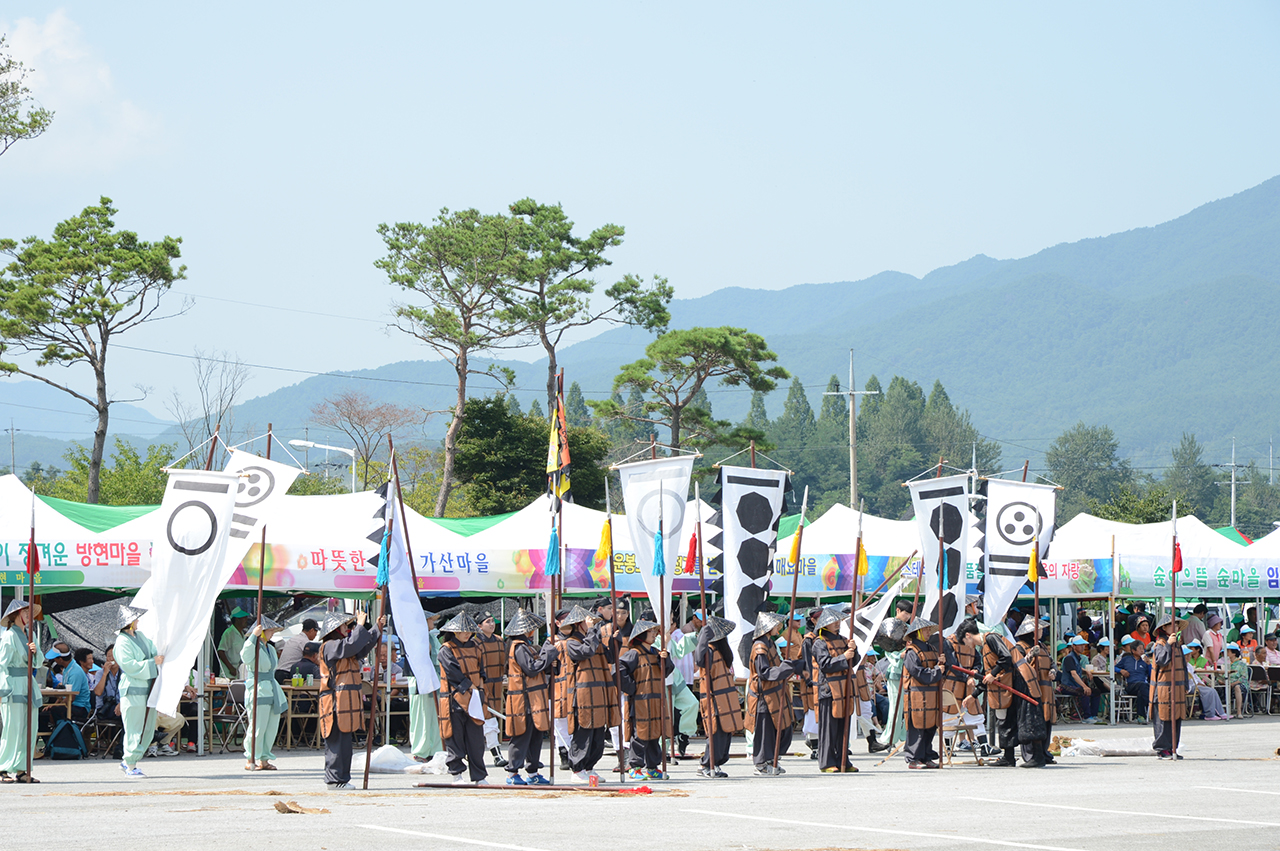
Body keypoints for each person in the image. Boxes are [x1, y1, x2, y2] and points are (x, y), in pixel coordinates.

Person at [319, 609, 382, 789]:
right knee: (336, 744)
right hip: (334, 702)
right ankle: (334, 780)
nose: (348, 628)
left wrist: (377, 628)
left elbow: (360, 647)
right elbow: (352, 645)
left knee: (344, 744)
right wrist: (361, 625)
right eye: (346, 626)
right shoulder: (330, 645)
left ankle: (341, 779)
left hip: (344, 701)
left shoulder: (343, 647)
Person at [558, 604, 618, 784]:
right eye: (588, 623)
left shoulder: (593, 639)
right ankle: (577, 769)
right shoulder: (572, 642)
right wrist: (592, 631)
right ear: (579, 624)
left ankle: (590, 767)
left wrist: (614, 640)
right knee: (583, 732)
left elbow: (609, 658)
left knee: (598, 735)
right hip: (582, 695)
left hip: (599, 692)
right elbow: (586, 652)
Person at [742, 611, 799, 777]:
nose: (778, 627)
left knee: (779, 727)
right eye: (775, 624)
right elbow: (764, 672)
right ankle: (761, 763)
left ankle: (771, 760)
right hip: (763, 694)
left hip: (773, 692)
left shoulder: (770, 643)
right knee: (764, 730)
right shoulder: (760, 646)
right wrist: (783, 669)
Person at [502, 609, 554, 786]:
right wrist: (548, 654)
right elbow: (531, 669)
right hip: (523, 699)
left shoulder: (527, 646)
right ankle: (512, 772)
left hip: (534, 698)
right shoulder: (519, 647)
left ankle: (532, 772)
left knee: (535, 736)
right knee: (521, 735)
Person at [618, 617, 674, 780]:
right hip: (641, 701)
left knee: (655, 733)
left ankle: (652, 766)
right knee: (640, 734)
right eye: (651, 632)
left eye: (655, 632)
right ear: (642, 634)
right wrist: (632, 688)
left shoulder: (656, 653)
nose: (655, 635)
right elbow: (619, 671)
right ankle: (635, 767)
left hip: (656, 700)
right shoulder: (633, 653)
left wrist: (665, 659)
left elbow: (667, 671)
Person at [436, 612, 488, 785]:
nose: (467, 634)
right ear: (455, 631)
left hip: (474, 698)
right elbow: (453, 673)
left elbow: (481, 671)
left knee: (476, 739)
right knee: (455, 738)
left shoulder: (475, 647)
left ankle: (479, 776)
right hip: (454, 700)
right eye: (463, 631)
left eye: (469, 631)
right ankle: (457, 774)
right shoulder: (446, 649)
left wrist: (479, 690)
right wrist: (470, 687)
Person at [809, 606, 860, 772]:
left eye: (838, 621)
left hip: (844, 688)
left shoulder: (844, 639)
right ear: (824, 624)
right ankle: (827, 762)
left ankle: (843, 760)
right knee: (829, 729)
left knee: (843, 726)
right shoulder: (819, 643)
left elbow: (855, 661)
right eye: (833, 622)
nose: (837, 624)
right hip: (828, 689)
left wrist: (854, 649)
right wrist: (844, 656)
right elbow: (825, 665)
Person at [114, 604, 162, 778]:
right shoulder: (121, 642)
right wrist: (152, 662)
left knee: (147, 728)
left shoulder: (140, 636)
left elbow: (154, 651)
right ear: (129, 622)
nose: (138, 621)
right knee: (134, 728)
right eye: (135, 618)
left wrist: (158, 658)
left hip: (148, 689)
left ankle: (130, 761)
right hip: (133, 690)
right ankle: (130, 763)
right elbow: (129, 666)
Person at [695, 614, 742, 779]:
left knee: (725, 731)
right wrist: (703, 637)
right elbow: (699, 659)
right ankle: (707, 763)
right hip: (714, 697)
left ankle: (716, 762)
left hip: (726, 697)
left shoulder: (721, 652)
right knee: (715, 731)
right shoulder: (707, 649)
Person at [0, 600, 42, 783]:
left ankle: (22, 769)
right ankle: (3, 768)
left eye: (29, 612)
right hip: (13, 684)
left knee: (29, 729)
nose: (28, 615)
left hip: (28, 683)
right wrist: (3, 688)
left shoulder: (31, 634)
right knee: (13, 728)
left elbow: (39, 662)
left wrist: (35, 651)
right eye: (25, 612)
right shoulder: (9, 636)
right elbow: (2, 664)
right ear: (16, 614)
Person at [241, 616, 288, 771]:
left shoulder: (270, 648)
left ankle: (264, 758)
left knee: (271, 726)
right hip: (258, 689)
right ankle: (251, 757)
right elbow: (245, 656)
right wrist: (254, 636)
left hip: (271, 688)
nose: (273, 632)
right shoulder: (252, 647)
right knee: (257, 726)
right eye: (270, 630)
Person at [902, 617, 948, 770]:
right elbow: (918, 673)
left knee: (930, 725)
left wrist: (942, 664)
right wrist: (937, 670)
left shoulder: (933, 649)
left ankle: (927, 755)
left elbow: (940, 672)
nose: (929, 632)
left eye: (929, 629)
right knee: (917, 725)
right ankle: (913, 758)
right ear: (917, 632)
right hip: (917, 695)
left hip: (932, 694)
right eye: (926, 630)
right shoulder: (911, 652)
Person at [1010, 616, 1051, 768]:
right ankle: (1032, 755)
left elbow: (1052, 662)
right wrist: (1030, 656)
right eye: (1038, 629)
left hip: (1044, 687)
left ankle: (1043, 753)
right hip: (1028, 687)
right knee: (1030, 721)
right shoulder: (1020, 647)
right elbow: (1017, 666)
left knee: (1044, 720)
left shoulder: (1043, 646)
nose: (1041, 631)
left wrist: (1053, 670)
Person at [980, 622, 1020, 767]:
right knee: (1004, 721)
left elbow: (1006, 658)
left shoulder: (990, 639)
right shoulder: (985, 646)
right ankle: (1008, 756)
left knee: (1005, 721)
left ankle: (1009, 757)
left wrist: (993, 674)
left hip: (1006, 686)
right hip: (1002, 688)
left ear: (968, 636)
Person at [1149, 614, 1187, 759]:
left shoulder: (1177, 644)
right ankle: (1162, 748)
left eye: (1177, 625)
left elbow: (1183, 665)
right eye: (1173, 625)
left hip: (1177, 687)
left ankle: (1173, 747)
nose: (1175, 627)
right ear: (1164, 627)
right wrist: (1169, 645)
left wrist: (1185, 683)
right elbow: (1161, 660)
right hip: (1163, 688)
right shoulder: (1160, 643)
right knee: (1163, 718)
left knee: (1176, 718)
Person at [408, 611, 442, 763]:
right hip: (420, 679)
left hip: (435, 678)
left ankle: (436, 749)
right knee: (421, 716)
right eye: (430, 620)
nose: (433, 623)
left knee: (435, 717)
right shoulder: (413, 636)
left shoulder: (431, 637)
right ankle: (421, 751)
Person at [882, 599, 916, 751]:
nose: (907, 616)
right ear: (898, 611)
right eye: (905, 613)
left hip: (910, 671)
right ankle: (890, 739)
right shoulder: (889, 626)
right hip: (896, 672)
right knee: (895, 708)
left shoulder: (910, 628)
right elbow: (888, 649)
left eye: (909, 613)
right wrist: (900, 655)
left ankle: (905, 738)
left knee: (908, 708)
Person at [475, 611, 508, 768]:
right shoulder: (474, 642)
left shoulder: (500, 641)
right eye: (487, 621)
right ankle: (488, 754)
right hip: (481, 686)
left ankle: (496, 754)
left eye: (492, 621)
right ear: (479, 626)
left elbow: (505, 662)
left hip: (497, 684)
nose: (492, 624)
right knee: (482, 719)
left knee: (492, 719)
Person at [1059, 636, 1101, 722]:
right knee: (1084, 691)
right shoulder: (1069, 658)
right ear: (1074, 646)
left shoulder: (1077, 657)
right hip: (1067, 685)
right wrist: (1084, 686)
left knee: (1096, 692)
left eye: (1083, 645)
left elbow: (1077, 667)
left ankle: (1094, 715)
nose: (1082, 647)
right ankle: (1086, 717)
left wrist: (1086, 671)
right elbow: (1073, 674)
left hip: (1074, 685)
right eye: (1080, 645)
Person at [149, 684, 198, 757]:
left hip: (163, 711)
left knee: (179, 718)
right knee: (153, 716)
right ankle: (152, 746)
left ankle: (163, 744)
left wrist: (183, 688)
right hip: (150, 711)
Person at [1185, 647, 1228, 720]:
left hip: (1195, 685)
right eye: (1188, 655)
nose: (1189, 656)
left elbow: (1195, 676)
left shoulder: (1189, 665)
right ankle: (1210, 714)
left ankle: (1221, 712)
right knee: (1209, 692)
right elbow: (1189, 679)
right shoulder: (1182, 666)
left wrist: (1201, 683)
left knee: (1213, 690)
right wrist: (1198, 684)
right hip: (1189, 686)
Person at [1114, 635, 1151, 721]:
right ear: (1133, 651)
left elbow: (1151, 675)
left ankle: (1141, 716)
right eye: (1140, 649)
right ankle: (1151, 706)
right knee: (1144, 687)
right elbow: (1114, 667)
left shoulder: (1146, 661)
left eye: (1143, 649)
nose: (1143, 651)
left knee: (1142, 691)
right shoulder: (1126, 659)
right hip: (1130, 685)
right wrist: (1121, 671)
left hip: (1143, 686)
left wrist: (1149, 665)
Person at [275, 618, 319, 684]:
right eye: (316, 632)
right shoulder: (304, 642)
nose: (316, 634)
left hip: (278, 672)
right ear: (312, 630)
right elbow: (312, 658)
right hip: (287, 673)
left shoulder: (293, 639)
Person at [217, 607, 251, 677]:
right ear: (237, 619)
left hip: (239, 671)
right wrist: (230, 668)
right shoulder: (229, 633)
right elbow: (221, 651)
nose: (246, 620)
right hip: (228, 673)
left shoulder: (242, 634)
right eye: (244, 618)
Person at [64, 647, 94, 723]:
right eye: (89, 659)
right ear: (81, 661)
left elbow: (72, 696)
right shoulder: (76, 673)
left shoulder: (80, 674)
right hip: (75, 705)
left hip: (81, 707)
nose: (92, 661)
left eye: (92, 659)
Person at [93, 645, 121, 719]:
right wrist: (105, 673)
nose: (111, 659)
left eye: (114, 655)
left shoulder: (125, 673)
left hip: (121, 706)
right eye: (109, 656)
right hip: (104, 708)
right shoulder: (100, 673)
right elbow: (98, 692)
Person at [1225, 644, 1248, 718]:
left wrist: (1233, 683)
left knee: (1237, 687)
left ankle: (1239, 711)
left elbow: (1243, 678)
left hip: (1239, 683)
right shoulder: (1226, 663)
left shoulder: (1241, 664)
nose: (1227, 653)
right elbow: (1221, 676)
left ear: (1234, 653)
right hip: (1227, 683)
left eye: (1228, 651)